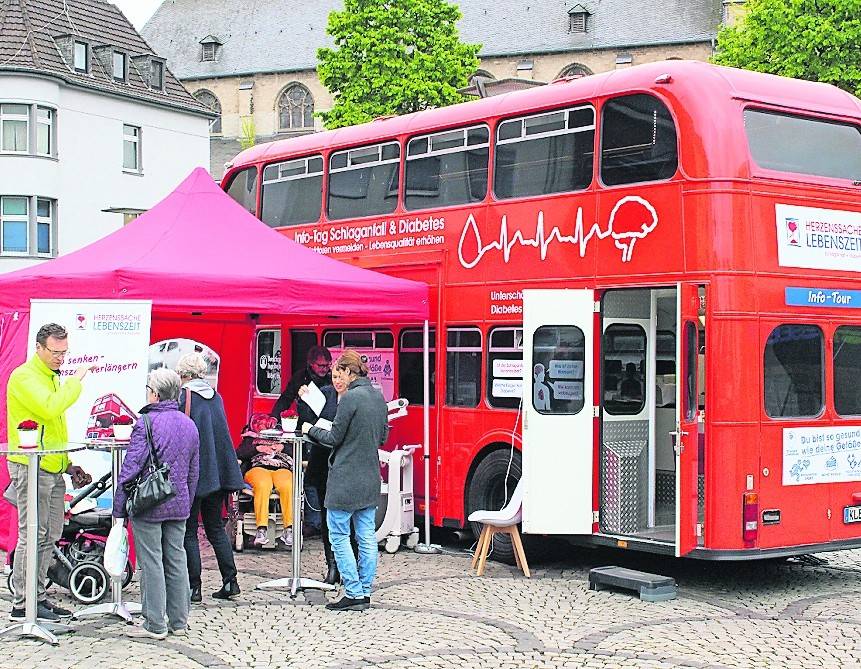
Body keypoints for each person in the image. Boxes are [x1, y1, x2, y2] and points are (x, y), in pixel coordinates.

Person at [6, 323, 93, 622]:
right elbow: (49, 409)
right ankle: (22, 603)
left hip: (52, 467)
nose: (61, 358)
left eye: (64, 352)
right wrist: (76, 382)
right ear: (39, 348)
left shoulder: (51, 376)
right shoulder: (24, 377)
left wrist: (68, 465)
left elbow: (54, 429)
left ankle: (38, 596)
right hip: (31, 467)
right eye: (55, 352)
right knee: (32, 534)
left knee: (51, 534)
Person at [113, 369, 199, 640]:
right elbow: (194, 471)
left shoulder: (146, 423)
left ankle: (154, 624)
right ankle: (179, 621)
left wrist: (119, 507)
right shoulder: (189, 424)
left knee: (151, 562)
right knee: (176, 558)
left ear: (156, 393)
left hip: (150, 503)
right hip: (179, 501)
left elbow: (131, 468)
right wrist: (186, 497)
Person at [305, 350, 387, 612]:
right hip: (370, 476)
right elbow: (383, 436)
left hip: (345, 479)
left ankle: (352, 591)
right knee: (366, 536)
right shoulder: (377, 396)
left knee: (339, 535)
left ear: (351, 373)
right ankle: (364, 590)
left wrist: (310, 429)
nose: (338, 377)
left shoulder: (350, 399)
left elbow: (333, 438)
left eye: (341, 372)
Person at [176, 353, 245, 603]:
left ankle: (194, 587)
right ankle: (231, 581)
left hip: (194, 473)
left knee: (189, 531)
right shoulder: (216, 398)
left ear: (184, 375)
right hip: (217, 473)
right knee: (216, 527)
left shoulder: (184, 397)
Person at [271, 346, 332, 536]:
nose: (324, 369)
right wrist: (273, 418)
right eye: (320, 366)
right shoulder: (300, 377)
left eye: (327, 365)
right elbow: (286, 398)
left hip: (327, 430)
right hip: (305, 430)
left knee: (322, 478)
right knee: (309, 476)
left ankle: (322, 522)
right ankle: (314, 522)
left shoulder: (333, 380)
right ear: (311, 364)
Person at [301, 367, 347, 585]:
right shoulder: (326, 393)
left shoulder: (352, 398)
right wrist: (303, 399)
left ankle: (347, 565)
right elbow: (307, 420)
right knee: (326, 517)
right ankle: (332, 565)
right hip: (321, 460)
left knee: (346, 519)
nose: (337, 381)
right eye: (335, 377)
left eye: (341, 377)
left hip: (342, 463)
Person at [236, 414, 294, 548]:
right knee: (263, 485)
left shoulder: (285, 438)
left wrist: (282, 448)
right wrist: (258, 449)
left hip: (281, 468)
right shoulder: (251, 437)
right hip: (258, 468)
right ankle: (261, 530)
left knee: (287, 485)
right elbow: (239, 452)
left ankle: (289, 529)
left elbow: (298, 451)